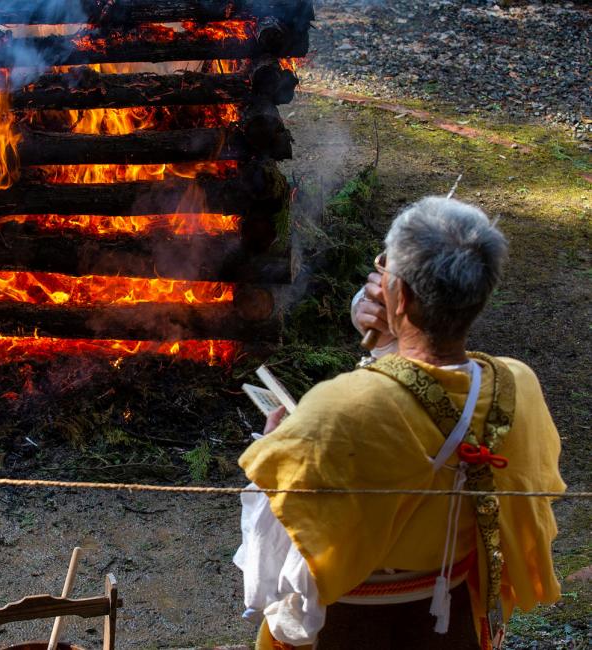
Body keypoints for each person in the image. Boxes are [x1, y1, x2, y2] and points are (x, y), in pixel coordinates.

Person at [233, 197, 564, 649]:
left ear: (399, 295)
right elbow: (426, 388)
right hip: (454, 624)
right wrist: (395, 340)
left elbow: (281, 557)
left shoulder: (339, 406)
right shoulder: (517, 384)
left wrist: (278, 444)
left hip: (353, 630)